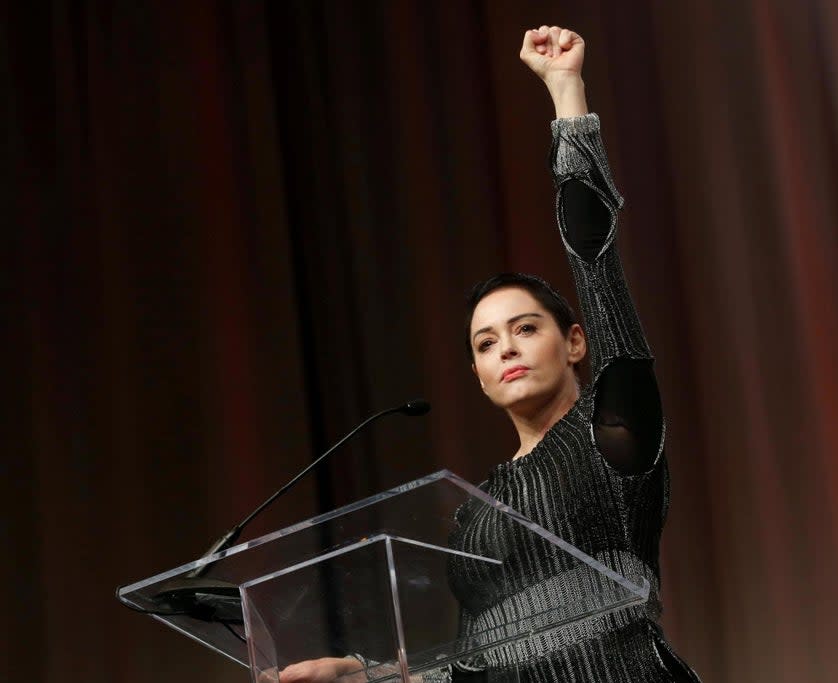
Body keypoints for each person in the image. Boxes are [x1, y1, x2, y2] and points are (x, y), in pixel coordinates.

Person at [279, 25, 700, 683]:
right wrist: (372, 678)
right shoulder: (474, 513)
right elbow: (470, 666)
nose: (505, 346)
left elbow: (599, 266)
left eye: (526, 328)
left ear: (577, 342)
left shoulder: (613, 438)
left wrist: (567, 95)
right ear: (474, 373)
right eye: (485, 342)